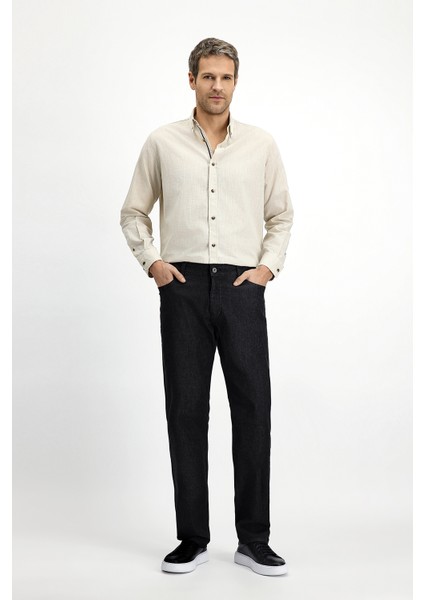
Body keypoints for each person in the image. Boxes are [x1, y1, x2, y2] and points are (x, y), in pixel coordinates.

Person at [120, 37, 294, 577]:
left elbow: (281, 215)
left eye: (226, 77)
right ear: (191, 79)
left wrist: (266, 269)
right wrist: (154, 263)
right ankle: (192, 538)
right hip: (184, 286)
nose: (217, 86)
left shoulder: (261, 145)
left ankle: (254, 540)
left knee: (254, 410)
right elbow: (133, 212)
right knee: (187, 411)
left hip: (242, 287)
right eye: (208, 76)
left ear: (236, 82)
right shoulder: (162, 142)